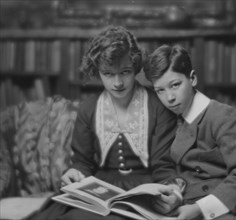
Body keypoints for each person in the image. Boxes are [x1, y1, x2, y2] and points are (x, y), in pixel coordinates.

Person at [27, 26, 182, 220]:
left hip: (143, 190)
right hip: (99, 191)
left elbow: (164, 165)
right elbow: (83, 162)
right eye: (108, 74)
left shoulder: (157, 106)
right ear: (97, 71)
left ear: (135, 66)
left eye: (125, 72)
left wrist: (173, 192)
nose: (118, 82)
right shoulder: (88, 109)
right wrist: (75, 173)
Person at [144, 44, 236, 220]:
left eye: (175, 85)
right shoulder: (169, 117)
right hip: (184, 203)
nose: (169, 98)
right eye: (160, 91)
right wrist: (174, 194)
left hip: (225, 205)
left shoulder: (222, 116)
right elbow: (164, 166)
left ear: (193, 78)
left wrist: (199, 209)